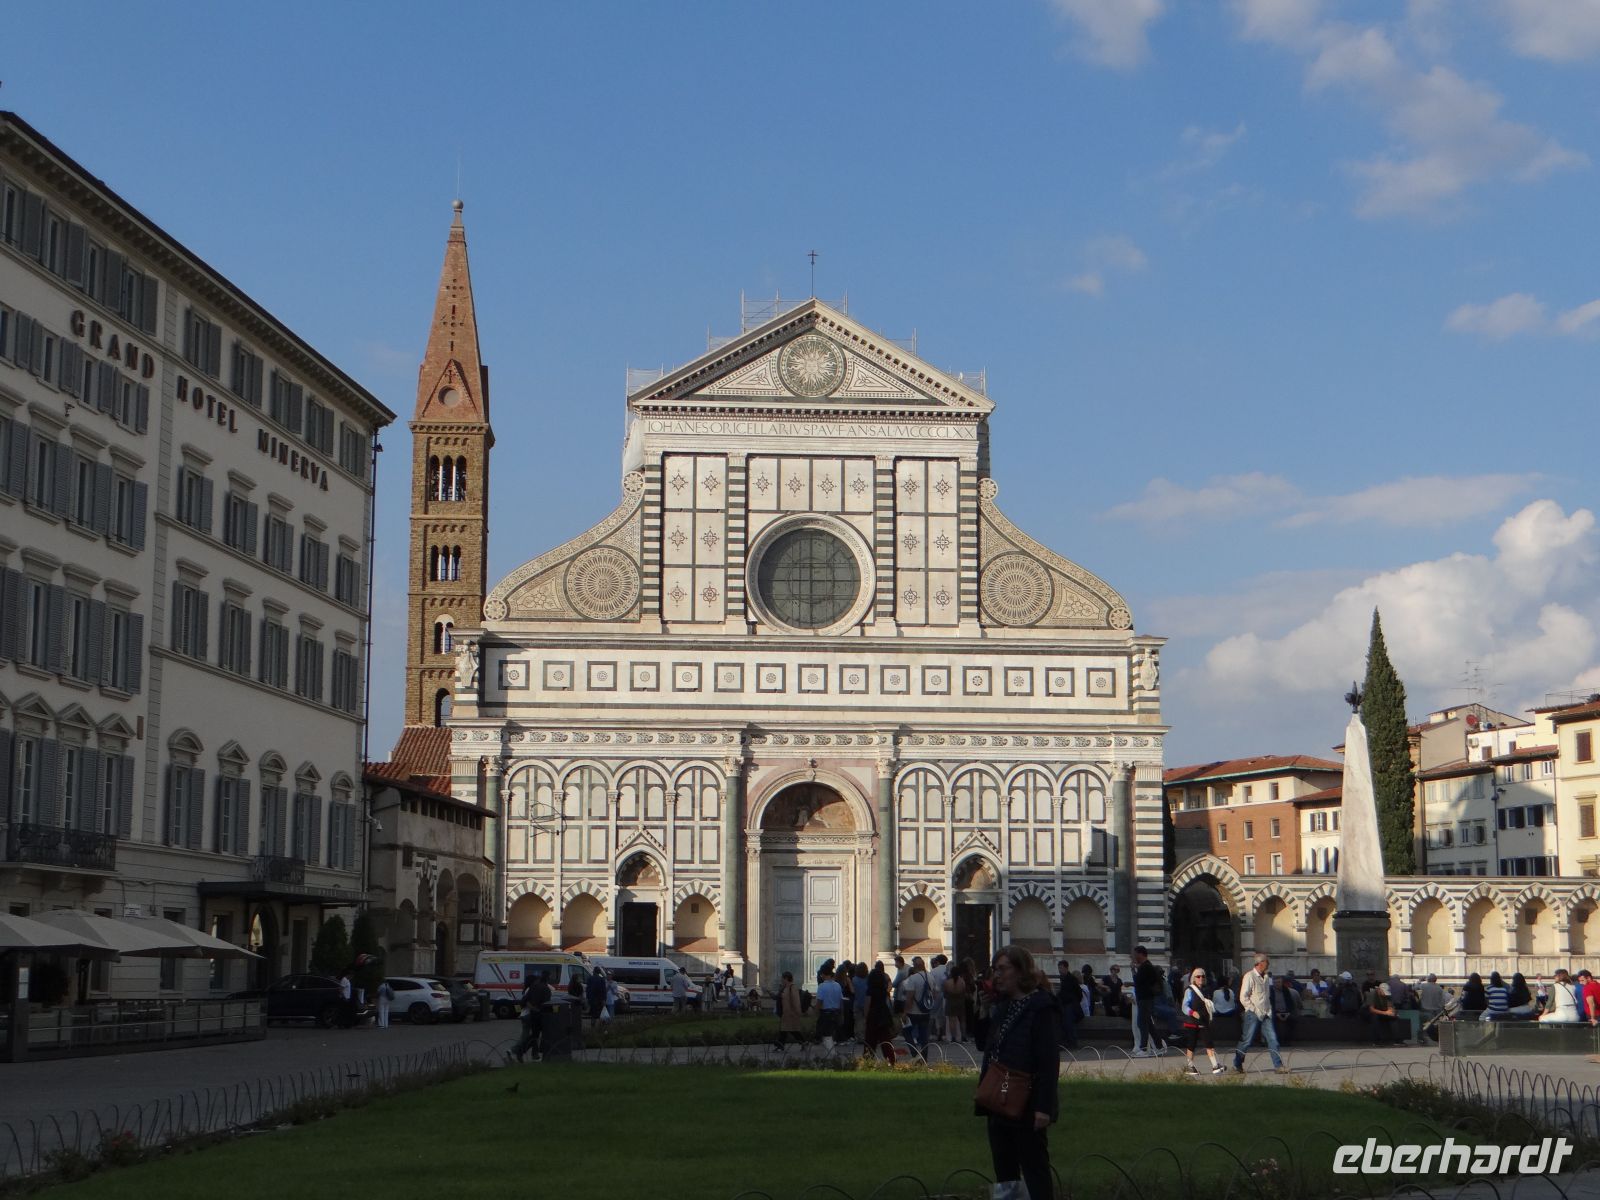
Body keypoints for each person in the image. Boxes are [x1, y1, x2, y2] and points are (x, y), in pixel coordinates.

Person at [976, 945, 1060, 1200]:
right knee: (1005, 1171)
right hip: (999, 1098)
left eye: (1002, 969)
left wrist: (1043, 1107)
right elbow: (984, 1045)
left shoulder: (1040, 1007)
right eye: (994, 970)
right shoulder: (1003, 1007)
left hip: (1027, 1101)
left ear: (1020, 970)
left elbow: (1048, 1060)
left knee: (1034, 1168)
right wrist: (983, 1011)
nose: (996, 976)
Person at [1232, 953, 1286, 1074]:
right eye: (1267, 961)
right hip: (1253, 1013)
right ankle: (1237, 1064)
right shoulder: (1249, 976)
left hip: (1266, 1013)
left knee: (1273, 1040)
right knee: (1247, 1040)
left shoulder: (1266, 977)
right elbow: (1243, 996)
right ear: (1260, 963)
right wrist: (1252, 1009)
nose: (1269, 964)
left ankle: (1278, 1066)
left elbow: (1266, 996)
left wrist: (1269, 1009)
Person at [1180, 968, 1227, 1075]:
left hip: (1204, 1021)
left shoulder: (1206, 990)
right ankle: (1190, 1066)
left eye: (1203, 976)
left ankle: (1215, 1065)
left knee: (1209, 1042)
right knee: (1191, 1045)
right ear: (1193, 978)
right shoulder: (1189, 990)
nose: (1201, 978)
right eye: (1198, 976)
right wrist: (1192, 1012)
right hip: (1192, 1021)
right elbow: (1184, 1006)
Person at [510, 970, 551, 1063]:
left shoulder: (533, 986)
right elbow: (546, 1004)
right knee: (537, 1036)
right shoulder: (546, 989)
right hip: (541, 1015)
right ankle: (524, 1052)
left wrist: (532, 1007)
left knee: (534, 1036)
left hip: (533, 1015)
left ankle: (530, 1053)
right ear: (548, 979)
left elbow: (523, 1001)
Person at [1131, 946, 1163, 1057]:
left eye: (1135, 954)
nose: (1134, 956)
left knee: (1142, 1023)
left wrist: (1133, 970)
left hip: (1145, 999)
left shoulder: (1145, 967)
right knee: (1148, 1023)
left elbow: (1138, 980)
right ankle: (1159, 1047)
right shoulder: (1146, 967)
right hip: (1146, 998)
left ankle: (1144, 1049)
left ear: (1141, 954)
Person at [864, 961, 897, 1062]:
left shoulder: (870, 991)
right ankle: (891, 1059)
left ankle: (868, 1059)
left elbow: (867, 1005)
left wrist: (866, 1017)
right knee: (885, 1039)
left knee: (870, 1040)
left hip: (873, 1015)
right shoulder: (884, 991)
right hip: (883, 1014)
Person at [903, 956, 932, 1052]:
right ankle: (924, 1058)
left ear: (914, 966)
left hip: (913, 1011)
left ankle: (914, 1054)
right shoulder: (930, 977)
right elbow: (934, 994)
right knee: (924, 1036)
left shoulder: (913, 978)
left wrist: (905, 1012)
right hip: (926, 1011)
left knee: (907, 1032)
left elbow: (909, 997)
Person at [815, 965, 844, 1052]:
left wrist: (815, 1013)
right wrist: (842, 1014)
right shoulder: (837, 985)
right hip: (836, 1012)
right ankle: (830, 1053)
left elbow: (819, 1002)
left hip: (826, 1013)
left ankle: (831, 1055)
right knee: (832, 1034)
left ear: (823, 974)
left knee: (826, 1035)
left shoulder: (822, 986)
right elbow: (841, 1001)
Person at [1056, 960, 1083, 1050]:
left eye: (1061, 968)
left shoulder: (1071, 979)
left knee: (1069, 1024)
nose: (1060, 970)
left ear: (1066, 968)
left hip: (1069, 1005)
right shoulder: (1063, 978)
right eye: (1059, 968)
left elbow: (1079, 993)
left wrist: (1074, 1001)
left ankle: (1072, 1042)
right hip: (1064, 1005)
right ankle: (1067, 1042)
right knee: (1065, 1024)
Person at [775, 971, 805, 1050]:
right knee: (787, 1029)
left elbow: (796, 1000)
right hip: (786, 1013)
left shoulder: (792, 987)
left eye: (783, 978)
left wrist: (798, 1011)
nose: (781, 980)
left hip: (791, 1013)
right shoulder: (785, 987)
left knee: (790, 1030)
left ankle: (802, 1042)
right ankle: (781, 1044)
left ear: (786, 978)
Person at [945, 960, 970, 1044]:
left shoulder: (948, 982)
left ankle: (953, 1037)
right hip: (960, 1001)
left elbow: (945, 993)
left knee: (952, 1020)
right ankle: (963, 1036)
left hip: (950, 1002)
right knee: (962, 1019)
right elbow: (964, 992)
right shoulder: (962, 982)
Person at [929, 955, 950, 1042]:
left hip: (935, 995)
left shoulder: (933, 971)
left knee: (933, 1015)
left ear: (937, 962)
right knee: (944, 1015)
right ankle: (943, 1033)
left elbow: (930, 984)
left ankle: (933, 1033)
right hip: (946, 995)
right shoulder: (948, 970)